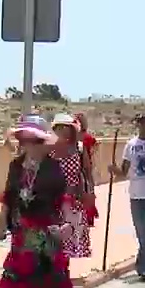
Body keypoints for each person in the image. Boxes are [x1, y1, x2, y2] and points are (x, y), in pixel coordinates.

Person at [0, 115, 85, 288]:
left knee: (46, 274)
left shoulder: (52, 168)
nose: (29, 145)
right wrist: (1, 224)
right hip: (23, 229)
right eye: (25, 140)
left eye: (35, 141)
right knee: (20, 272)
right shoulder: (16, 167)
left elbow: (63, 198)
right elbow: (8, 198)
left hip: (46, 228)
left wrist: (68, 223)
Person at [109, 113, 145, 280]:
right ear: (137, 124)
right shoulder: (131, 145)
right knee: (141, 233)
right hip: (135, 195)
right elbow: (124, 171)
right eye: (142, 123)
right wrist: (114, 170)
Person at [50, 114, 94, 267]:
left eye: (67, 127)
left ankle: (64, 268)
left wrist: (90, 193)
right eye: (60, 127)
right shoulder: (49, 148)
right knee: (54, 234)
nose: (63, 131)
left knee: (70, 234)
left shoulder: (79, 148)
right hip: (52, 198)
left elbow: (87, 172)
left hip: (73, 198)